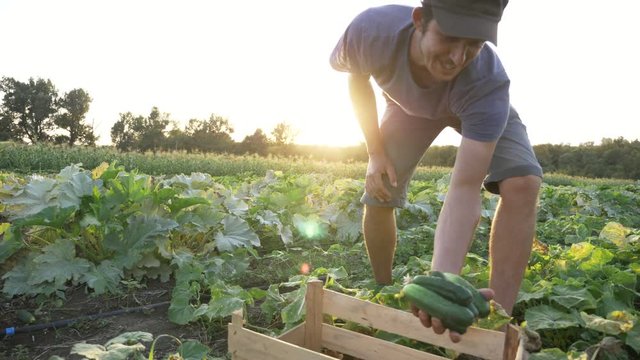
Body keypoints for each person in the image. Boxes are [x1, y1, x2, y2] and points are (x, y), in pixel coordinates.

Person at [329, 0, 543, 342]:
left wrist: (439, 285)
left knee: (524, 182)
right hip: (408, 108)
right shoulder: (372, 31)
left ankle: (497, 322)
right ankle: (384, 289)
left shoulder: (486, 82)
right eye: (450, 38)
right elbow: (358, 80)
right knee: (380, 190)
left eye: (473, 45)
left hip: (473, 108)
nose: (457, 58)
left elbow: (464, 188)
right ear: (419, 21)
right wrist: (375, 152)